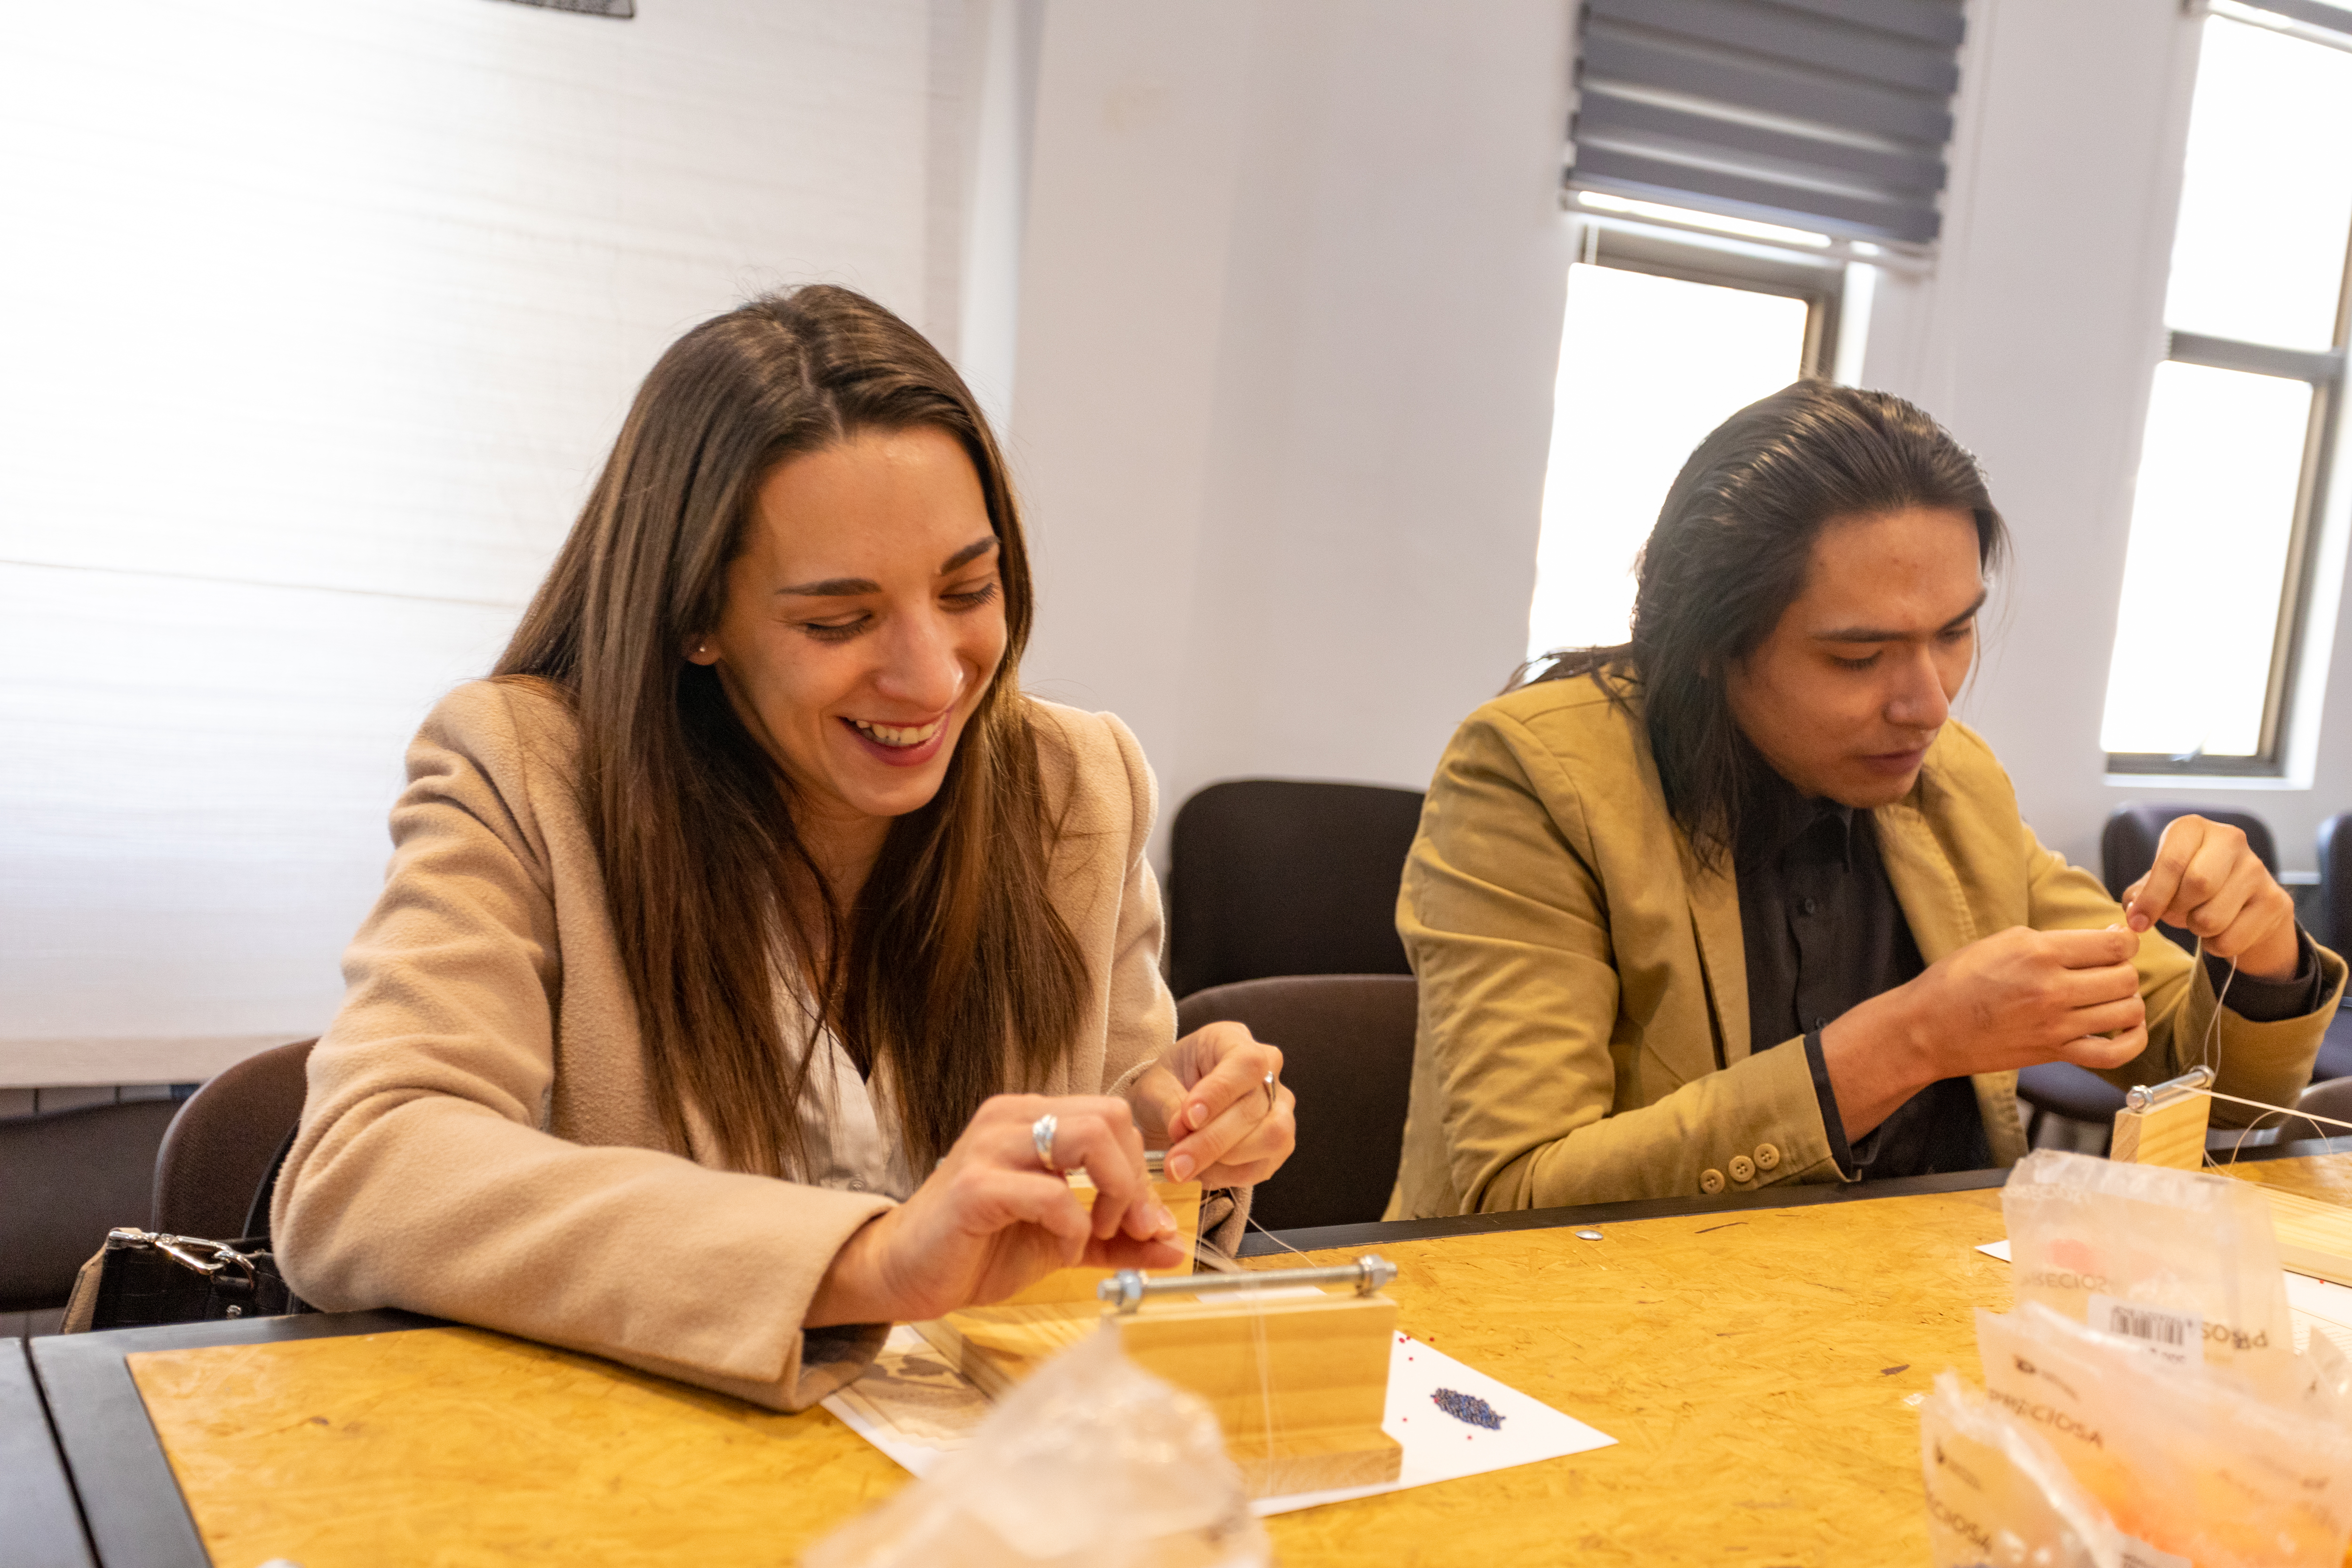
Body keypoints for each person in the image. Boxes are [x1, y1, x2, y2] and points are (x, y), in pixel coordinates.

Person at [274, 286, 1295, 1409]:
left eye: (968, 588)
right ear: (694, 618)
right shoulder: (521, 772)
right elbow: (363, 1171)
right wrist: (865, 1261)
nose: (934, 675)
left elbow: (1095, 1172)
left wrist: (1165, 1131)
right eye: (838, 620)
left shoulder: (1076, 785)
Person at [1389, 381, 2342, 1219]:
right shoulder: (1533, 779)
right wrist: (1910, 1038)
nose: (1927, 703)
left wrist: (2258, 959)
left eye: (1955, 633)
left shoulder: (1951, 781)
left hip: (1902, 1334)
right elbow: (1516, 1200)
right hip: (1600, 1355)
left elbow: (2208, 1096)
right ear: (1709, 642)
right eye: (1857, 656)